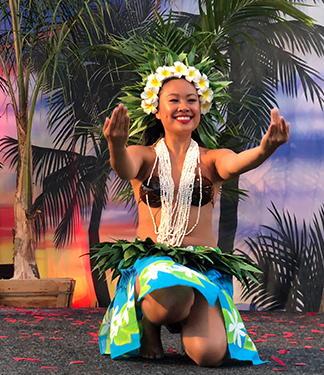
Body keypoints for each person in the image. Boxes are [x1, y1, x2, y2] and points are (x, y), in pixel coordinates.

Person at [96, 56, 289, 366]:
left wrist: (264, 149)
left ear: (202, 108)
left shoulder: (212, 159)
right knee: (174, 297)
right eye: (173, 100)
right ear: (156, 110)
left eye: (192, 100)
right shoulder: (143, 156)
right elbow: (123, 167)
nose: (184, 106)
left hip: (202, 267)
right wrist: (116, 144)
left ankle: (192, 324)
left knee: (209, 355)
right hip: (155, 266)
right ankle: (149, 322)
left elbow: (237, 162)